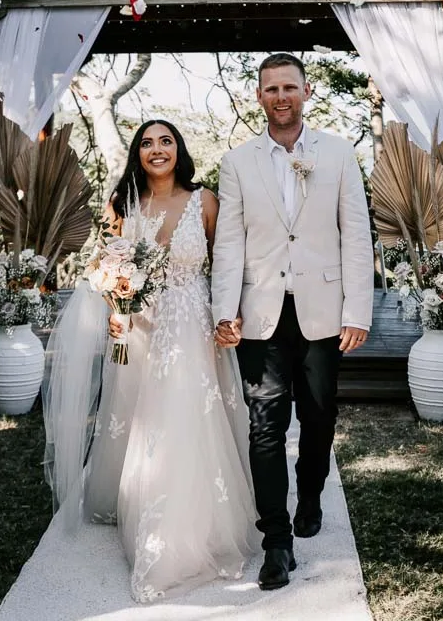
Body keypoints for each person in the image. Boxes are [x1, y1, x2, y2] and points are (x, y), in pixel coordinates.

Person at [42, 120, 259, 604]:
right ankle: (136, 500)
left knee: (183, 418)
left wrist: (231, 316)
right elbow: (103, 268)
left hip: (191, 326)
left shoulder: (205, 201)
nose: (156, 149)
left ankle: (187, 528)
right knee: (138, 418)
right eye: (146, 143)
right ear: (137, 154)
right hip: (139, 328)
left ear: (179, 149)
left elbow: (227, 265)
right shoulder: (122, 205)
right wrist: (114, 308)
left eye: (165, 141)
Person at [212, 52, 374, 591]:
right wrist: (224, 310)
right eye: (271, 89)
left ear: (306, 93)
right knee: (265, 426)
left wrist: (357, 311)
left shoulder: (339, 153)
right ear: (259, 96)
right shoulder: (237, 162)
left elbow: (356, 235)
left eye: (289, 87)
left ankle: (310, 495)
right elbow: (229, 243)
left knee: (320, 417)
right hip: (260, 315)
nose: (280, 97)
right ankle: (276, 543)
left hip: (324, 312)